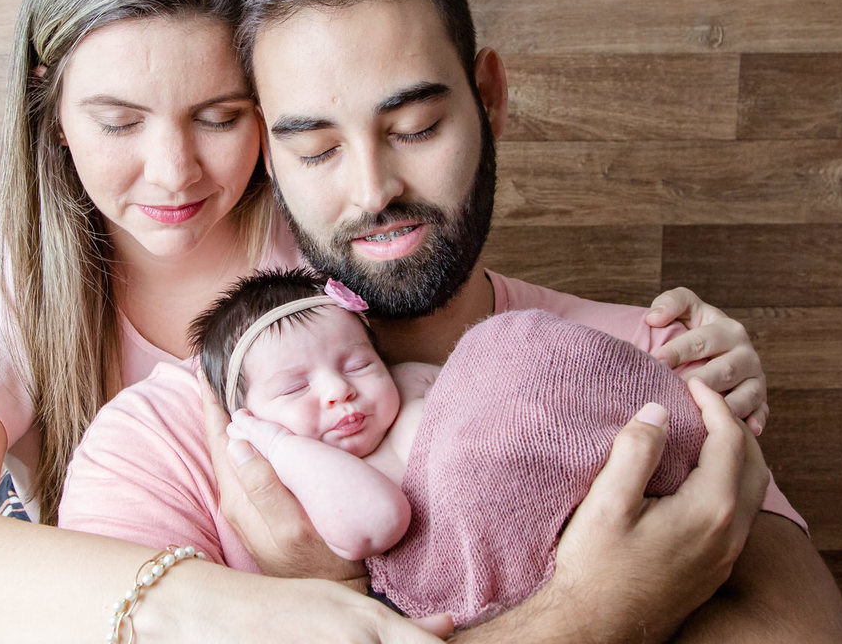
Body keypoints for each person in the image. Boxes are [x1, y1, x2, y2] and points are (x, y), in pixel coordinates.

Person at [0, 0, 793, 642]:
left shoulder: (339, 265)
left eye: (221, 116)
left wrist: (668, 352)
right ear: (47, 102)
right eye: (118, 121)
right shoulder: (0, 279)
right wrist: (248, 607)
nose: (173, 172)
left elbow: (513, 357)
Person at [59, 0, 842, 641]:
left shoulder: (642, 353)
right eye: (317, 150)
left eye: (415, 128)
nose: (373, 191)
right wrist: (587, 613)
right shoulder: (154, 447)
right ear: (271, 155)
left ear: (490, 99)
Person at [193, 268, 709, 629]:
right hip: (487, 563)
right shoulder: (312, 473)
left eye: (356, 364)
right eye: (294, 389)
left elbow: (502, 391)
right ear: (249, 419)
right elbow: (376, 521)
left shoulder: (410, 382)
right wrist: (276, 445)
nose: (338, 390)